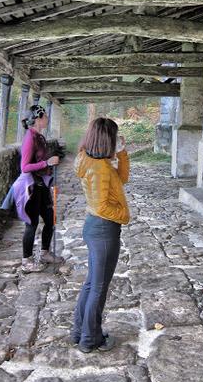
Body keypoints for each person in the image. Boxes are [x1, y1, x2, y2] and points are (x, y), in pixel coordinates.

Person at [72, 117, 130, 353]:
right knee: (98, 287)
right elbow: (101, 206)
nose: (117, 141)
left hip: (96, 228)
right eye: (115, 137)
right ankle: (90, 338)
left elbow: (121, 179)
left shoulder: (91, 159)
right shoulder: (99, 168)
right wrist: (124, 215)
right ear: (107, 139)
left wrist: (123, 154)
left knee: (91, 284)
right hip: (104, 229)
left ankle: (79, 331)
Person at [14, 104, 63, 273]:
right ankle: (26, 261)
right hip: (32, 187)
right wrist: (47, 163)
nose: (47, 119)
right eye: (46, 116)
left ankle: (44, 253)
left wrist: (48, 167)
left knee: (50, 219)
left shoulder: (39, 137)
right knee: (32, 223)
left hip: (42, 184)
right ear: (38, 118)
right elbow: (25, 167)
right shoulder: (30, 137)